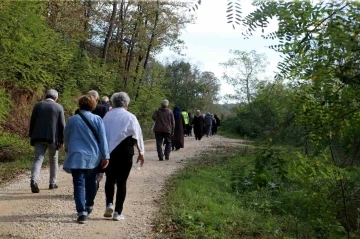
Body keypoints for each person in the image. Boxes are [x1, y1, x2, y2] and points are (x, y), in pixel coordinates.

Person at [63, 95, 110, 224]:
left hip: (76, 156)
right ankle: (89, 204)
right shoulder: (97, 119)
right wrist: (106, 155)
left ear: (79, 105)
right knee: (91, 181)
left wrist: (68, 148)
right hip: (93, 157)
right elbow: (102, 139)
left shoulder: (72, 120)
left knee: (78, 184)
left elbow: (66, 136)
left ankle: (81, 212)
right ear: (93, 105)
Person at [103, 92, 145, 221]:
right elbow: (138, 135)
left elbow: (102, 134)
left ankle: (109, 203)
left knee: (110, 179)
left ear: (113, 103)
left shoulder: (107, 116)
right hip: (126, 151)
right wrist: (141, 153)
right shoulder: (130, 117)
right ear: (126, 103)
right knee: (122, 182)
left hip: (109, 152)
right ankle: (118, 212)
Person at [29, 89, 65, 193]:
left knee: (38, 159)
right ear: (56, 98)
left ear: (46, 96)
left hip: (38, 137)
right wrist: (62, 140)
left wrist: (31, 135)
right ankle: (52, 183)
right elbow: (62, 125)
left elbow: (32, 121)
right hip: (52, 138)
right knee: (53, 159)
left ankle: (33, 180)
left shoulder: (38, 105)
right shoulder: (58, 107)